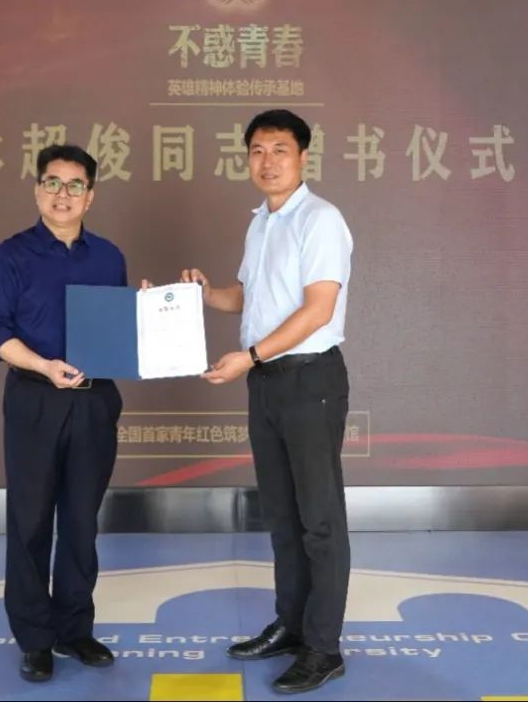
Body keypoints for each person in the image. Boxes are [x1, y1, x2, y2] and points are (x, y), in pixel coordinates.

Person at [185, 109, 354, 693]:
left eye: (279, 149)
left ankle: (324, 647)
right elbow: (248, 296)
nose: (267, 161)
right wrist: (205, 294)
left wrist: (250, 356)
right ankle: (291, 624)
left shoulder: (321, 220)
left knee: (320, 520)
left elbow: (318, 309)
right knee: (282, 514)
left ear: (303, 156)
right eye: (257, 150)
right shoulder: (260, 223)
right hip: (265, 383)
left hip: (310, 381)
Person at [0, 144, 126, 683]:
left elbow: (117, 330)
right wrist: (43, 365)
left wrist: (147, 313)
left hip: (94, 401)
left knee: (82, 521)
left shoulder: (108, 257)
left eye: (75, 185)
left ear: (91, 195)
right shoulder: (10, 256)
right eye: (53, 183)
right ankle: (35, 638)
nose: (63, 194)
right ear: (38, 189)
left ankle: (75, 629)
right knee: (31, 520)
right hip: (35, 400)